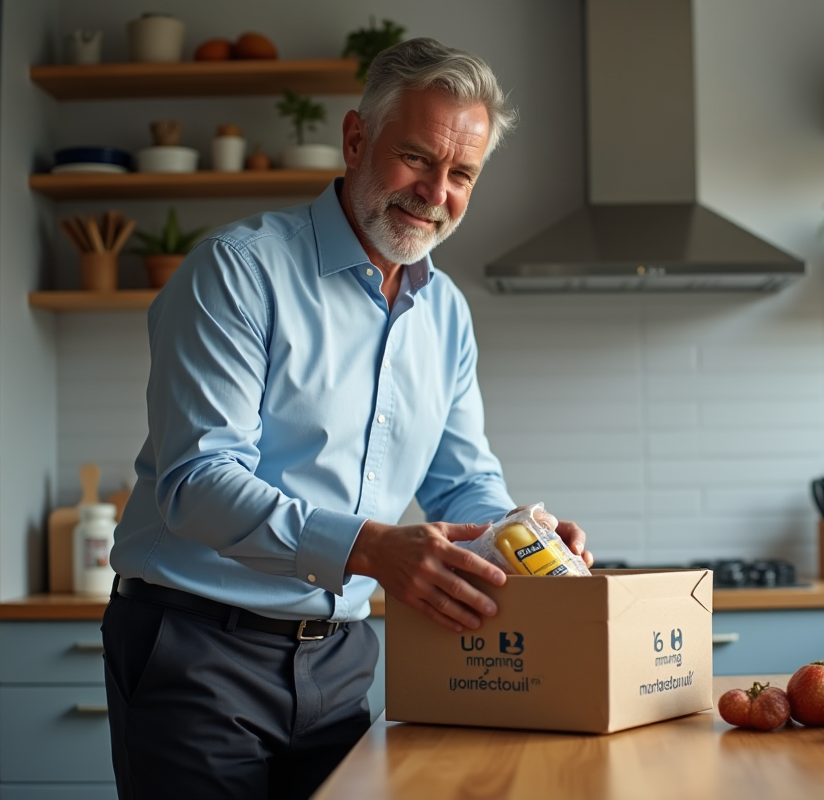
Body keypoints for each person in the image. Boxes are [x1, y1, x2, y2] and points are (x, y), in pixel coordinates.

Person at [101, 38, 592, 800]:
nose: (435, 193)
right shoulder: (239, 271)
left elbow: (462, 484)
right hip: (198, 650)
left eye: (461, 174)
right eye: (417, 158)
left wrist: (524, 539)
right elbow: (197, 482)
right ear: (356, 139)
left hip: (341, 660)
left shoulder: (445, 313)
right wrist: (371, 549)